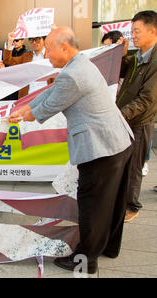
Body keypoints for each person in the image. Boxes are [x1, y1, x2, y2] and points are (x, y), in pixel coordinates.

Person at [8, 27, 134, 274]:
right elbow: (51, 93)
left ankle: (85, 260)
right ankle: (108, 247)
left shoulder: (72, 75)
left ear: (64, 47)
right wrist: (23, 109)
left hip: (101, 148)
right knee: (113, 202)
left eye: (49, 49)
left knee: (93, 206)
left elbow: (50, 105)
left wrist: (23, 117)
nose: (47, 55)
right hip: (118, 142)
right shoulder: (79, 64)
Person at [116, 10, 157, 222]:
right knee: (123, 163)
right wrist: (121, 55)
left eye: (137, 31)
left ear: (153, 31)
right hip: (126, 119)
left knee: (134, 166)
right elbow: (120, 72)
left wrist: (119, 115)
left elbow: (147, 99)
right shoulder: (138, 56)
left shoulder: (155, 60)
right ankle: (122, 202)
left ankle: (132, 206)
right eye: (132, 31)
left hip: (140, 121)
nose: (133, 36)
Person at [3, 31, 33, 99]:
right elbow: (7, 60)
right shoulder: (9, 52)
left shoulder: (27, 54)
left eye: (16, 40)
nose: (14, 42)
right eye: (13, 41)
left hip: (21, 86)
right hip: (9, 85)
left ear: (22, 41)